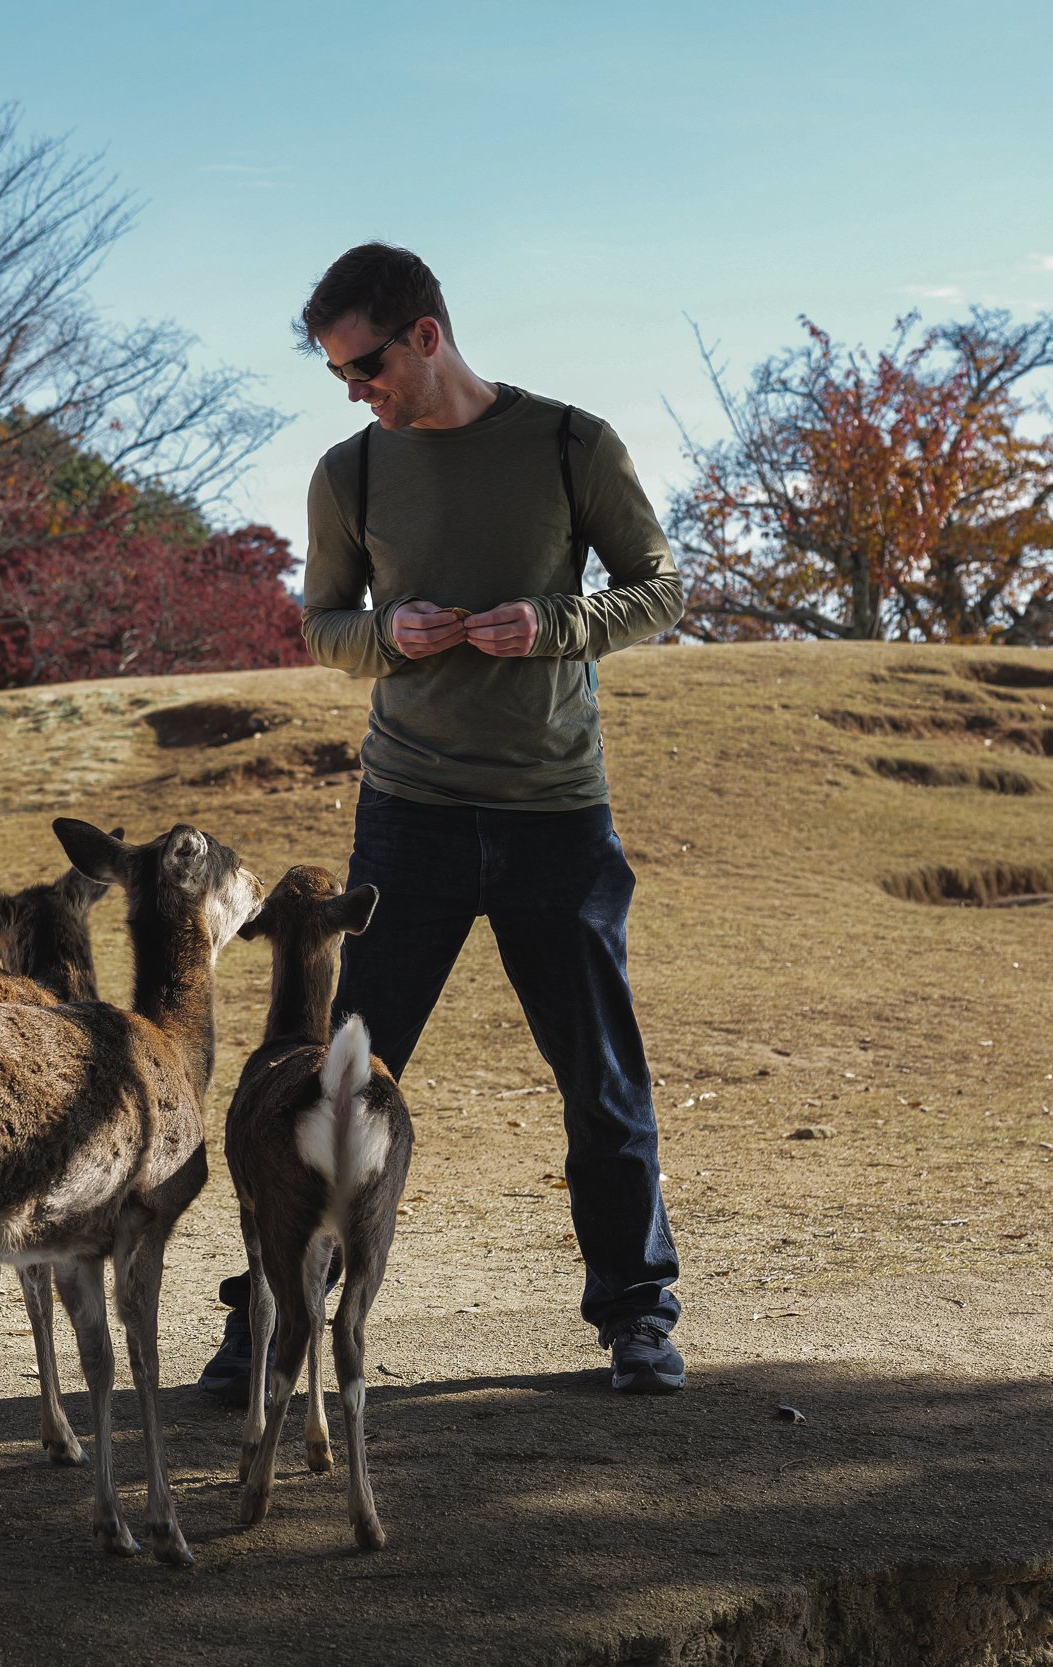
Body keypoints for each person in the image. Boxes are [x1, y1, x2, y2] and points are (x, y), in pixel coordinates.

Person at [198, 243, 687, 1400]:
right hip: (406, 820)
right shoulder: (349, 473)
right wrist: (386, 634)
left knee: (602, 1082)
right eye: (335, 375)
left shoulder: (571, 444)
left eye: (364, 366)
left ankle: (637, 1315)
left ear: (426, 335)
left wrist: (556, 624)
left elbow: (660, 589)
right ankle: (268, 1316)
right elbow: (323, 624)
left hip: (554, 819)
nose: (353, 391)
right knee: (334, 1084)